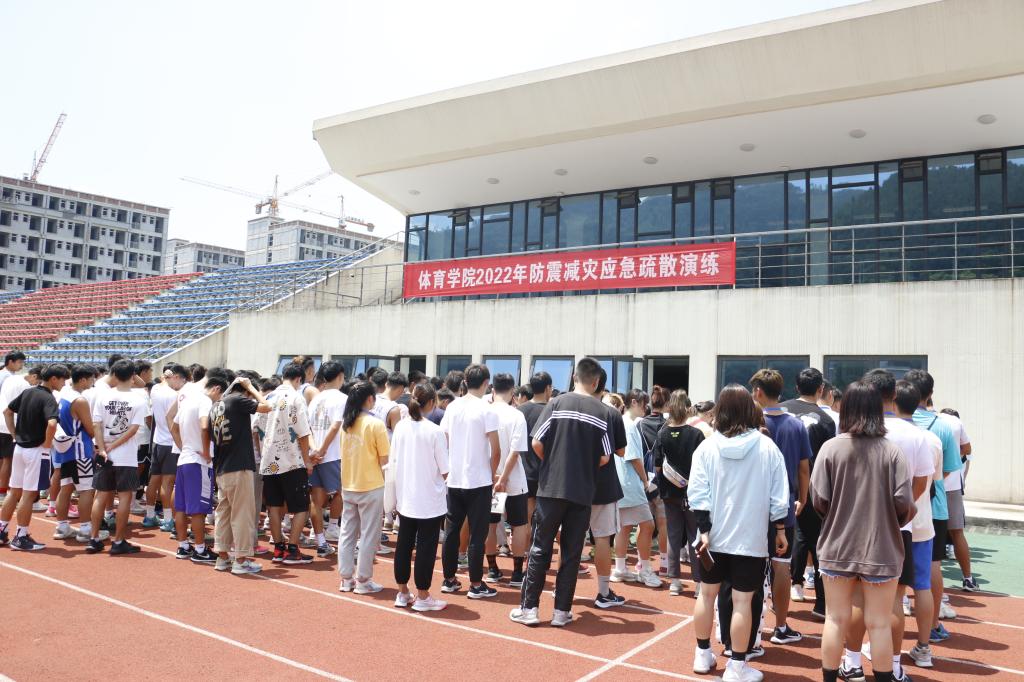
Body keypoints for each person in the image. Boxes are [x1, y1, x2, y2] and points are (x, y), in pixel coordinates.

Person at [812, 381, 915, 682]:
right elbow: (904, 503)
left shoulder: (831, 448)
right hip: (881, 547)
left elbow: (819, 499)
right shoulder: (892, 452)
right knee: (879, 623)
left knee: (835, 619)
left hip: (837, 545)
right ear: (878, 409)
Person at [689, 384, 789, 682]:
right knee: (743, 602)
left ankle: (702, 653)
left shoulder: (707, 447)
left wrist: (704, 529)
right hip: (750, 538)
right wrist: (780, 529)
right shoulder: (767, 447)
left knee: (706, 595)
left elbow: (697, 494)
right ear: (748, 410)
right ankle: (736, 666)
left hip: (712, 538)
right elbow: (779, 496)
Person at [511, 357, 612, 627]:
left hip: (552, 487)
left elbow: (537, 442)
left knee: (540, 547)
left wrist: (553, 463)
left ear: (574, 377)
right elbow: (605, 456)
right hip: (583, 491)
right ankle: (561, 612)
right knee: (571, 551)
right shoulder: (601, 412)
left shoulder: (556, 403)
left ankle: (529, 609)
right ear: (596, 382)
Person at [856, 369, 934, 682]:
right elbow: (922, 483)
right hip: (899, 528)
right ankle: (894, 667)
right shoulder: (917, 436)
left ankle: (851, 662)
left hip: (859, 526)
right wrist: (900, 513)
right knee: (894, 601)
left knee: (856, 599)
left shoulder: (855, 430)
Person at [750, 369, 811, 646]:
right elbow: (803, 468)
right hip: (784, 503)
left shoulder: (750, 422)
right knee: (781, 566)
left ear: (758, 392)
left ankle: (751, 625)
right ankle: (781, 626)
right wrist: (803, 498)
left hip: (752, 503)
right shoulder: (796, 425)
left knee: (751, 564)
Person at [904, 369, 962, 643]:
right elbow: (947, 471)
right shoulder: (943, 427)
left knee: (892, 572)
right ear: (930, 394)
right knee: (931, 568)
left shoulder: (890, 425)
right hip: (932, 507)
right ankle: (933, 626)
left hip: (894, 509)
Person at [440, 364, 500, 599]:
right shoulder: (487, 409)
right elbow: (496, 450)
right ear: (486, 383)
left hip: (455, 479)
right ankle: (475, 583)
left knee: (452, 530)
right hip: (479, 480)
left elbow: (444, 441)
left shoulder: (452, 407)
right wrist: (492, 475)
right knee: (477, 533)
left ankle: (449, 579)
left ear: (465, 382)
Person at [780, 368, 836, 617]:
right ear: (821, 389)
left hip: (778, 486)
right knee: (816, 541)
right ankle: (822, 603)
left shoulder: (778, 410)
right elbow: (827, 460)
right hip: (812, 486)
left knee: (781, 543)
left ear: (796, 386)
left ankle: (784, 594)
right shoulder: (825, 420)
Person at [391, 382, 449, 611]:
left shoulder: (401, 427)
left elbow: (394, 460)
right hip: (429, 499)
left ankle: (402, 592)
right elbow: (445, 469)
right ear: (432, 403)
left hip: (405, 496)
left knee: (404, 544)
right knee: (426, 548)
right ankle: (423, 596)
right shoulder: (434, 431)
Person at [209, 371, 270, 574]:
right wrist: (251, 387)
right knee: (242, 514)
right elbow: (266, 407)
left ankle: (222, 557)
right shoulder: (237, 400)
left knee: (224, 514)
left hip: (222, 468)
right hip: (239, 466)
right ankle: (241, 560)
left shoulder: (216, 405)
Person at [0, 363, 66, 551]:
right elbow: (52, 424)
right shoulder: (49, 398)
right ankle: (20, 536)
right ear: (54, 379)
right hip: (35, 450)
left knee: (14, 492)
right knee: (28, 495)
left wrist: (14, 434)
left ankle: (2, 530)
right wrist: (47, 444)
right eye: (63, 379)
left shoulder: (28, 392)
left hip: (19, 448)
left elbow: (7, 411)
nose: (64, 383)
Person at [255, 363, 314, 565]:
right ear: (299, 379)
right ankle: (293, 549)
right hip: (291, 461)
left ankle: (279, 547)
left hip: (269, 460)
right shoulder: (296, 398)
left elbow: (256, 429)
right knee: (301, 507)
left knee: (274, 506)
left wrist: (263, 452)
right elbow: (303, 432)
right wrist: (307, 460)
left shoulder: (268, 397)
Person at [89, 360, 148, 555]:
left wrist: (102, 448)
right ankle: (119, 540)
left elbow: (96, 424)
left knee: (101, 495)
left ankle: (94, 538)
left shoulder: (103, 396)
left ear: (114, 373)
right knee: (124, 496)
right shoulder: (138, 399)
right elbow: (133, 429)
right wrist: (113, 446)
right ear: (133, 376)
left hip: (104, 453)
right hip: (126, 455)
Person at [338, 381, 390, 594]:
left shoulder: (346, 424)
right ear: (370, 399)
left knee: (347, 532)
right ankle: (363, 579)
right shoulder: (375, 424)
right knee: (369, 534)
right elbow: (385, 459)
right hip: (371, 485)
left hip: (349, 484)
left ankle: (346, 578)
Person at [654, 389, 705, 596]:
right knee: (695, 536)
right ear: (687, 408)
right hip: (692, 492)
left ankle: (675, 582)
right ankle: (699, 583)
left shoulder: (662, 433)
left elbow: (657, 465)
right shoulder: (696, 434)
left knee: (673, 536)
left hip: (669, 492)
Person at [484, 373, 530, 586]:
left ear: (493, 390)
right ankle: (518, 573)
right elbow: (515, 451)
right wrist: (504, 478)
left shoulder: (485, 412)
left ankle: (492, 569)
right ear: (513, 392)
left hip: (490, 478)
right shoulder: (516, 415)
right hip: (514, 481)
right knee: (519, 525)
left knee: (491, 524)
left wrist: (496, 476)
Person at [613, 389, 661, 588]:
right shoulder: (630, 425)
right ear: (634, 402)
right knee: (648, 525)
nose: (646, 407)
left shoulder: (621, 422)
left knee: (624, 527)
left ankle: (620, 568)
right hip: (631, 483)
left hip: (621, 482)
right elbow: (633, 457)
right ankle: (645, 569)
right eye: (643, 403)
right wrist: (645, 480)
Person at [171, 369, 217, 564]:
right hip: (198, 462)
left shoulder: (188, 401)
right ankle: (200, 549)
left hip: (184, 460)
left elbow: (173, 427)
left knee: (181, 507)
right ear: (216, 388)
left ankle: (183, 546)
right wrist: (206, 451)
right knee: (198, 509)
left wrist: (184, 447)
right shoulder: (205, 401)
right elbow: (205, 426)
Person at [51, 364, 97, 541]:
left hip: (65, 450)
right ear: (83, 379)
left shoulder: (63, 396)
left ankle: (62, 526)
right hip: (80, 451)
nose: (93, 382)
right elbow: (90, 429)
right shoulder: (79, 400)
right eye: (91, 379)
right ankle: (85, 529)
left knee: (66, 488)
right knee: (86, 490)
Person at [306, 361, 347, 556]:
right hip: (333, 454)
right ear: (340, 376)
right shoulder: (342, 398)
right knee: (340, 493)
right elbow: (336, 426)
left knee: (316, 498)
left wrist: (315, 450)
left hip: (315, 454)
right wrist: (322, 449)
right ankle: (332, 527)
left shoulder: (316, 399)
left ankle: (320, 540)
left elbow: (308, 428)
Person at [143, 364, 189, 532]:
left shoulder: (155, 389)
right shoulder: (176, 395)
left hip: (158, 441)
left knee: (154, 480)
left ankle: (149, 515)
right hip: (171, 442)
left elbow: (159, 383)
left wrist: (165, 377)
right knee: (168, 483)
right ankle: (168, 519)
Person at [936, 407, 975, 591]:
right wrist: (952, 462)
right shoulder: (954, 422)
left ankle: (905, 592)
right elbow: (967, 449)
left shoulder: (914, 419)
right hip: (951, 487)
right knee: (957, 533)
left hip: (925, 484)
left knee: (920, 536)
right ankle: (968, 579)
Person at [636, 385, 670, 574]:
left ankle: (641, 561)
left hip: (642, 479)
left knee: (643, 524)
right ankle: (664, 563)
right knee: (663, 524)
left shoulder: (639, 424)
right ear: (666, 404)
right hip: (662, 480)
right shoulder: (668, 425)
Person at [518, 371, 552, 526]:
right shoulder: (552, 410)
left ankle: (526, 543)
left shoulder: (520, 410)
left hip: (523, 471)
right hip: (546, 472)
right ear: (548, 388)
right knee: (546, 519)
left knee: (526, 517)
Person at [0, 351, 26, 503]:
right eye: (20, 362)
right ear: (11, 361)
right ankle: (3, 492)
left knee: (3, 458)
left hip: (2, 420)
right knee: (8, 459)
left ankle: (2, 489)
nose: (21, 366)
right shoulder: (8, 377)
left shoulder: (5, 376)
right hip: (7, 422)